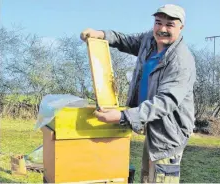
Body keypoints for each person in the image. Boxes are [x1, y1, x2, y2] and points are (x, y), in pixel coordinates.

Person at [80, 4, 196, 183]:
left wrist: (123, 116)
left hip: (168, 132)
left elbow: (165, 101)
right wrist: (101, 34)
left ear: (181, 27)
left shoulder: (181, 61)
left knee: (159, 177)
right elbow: (125, 40)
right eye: (158, 22)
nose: (162, 29)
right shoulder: (149, 40)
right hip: (152, 125)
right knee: (146, 176)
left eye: (170, 25)